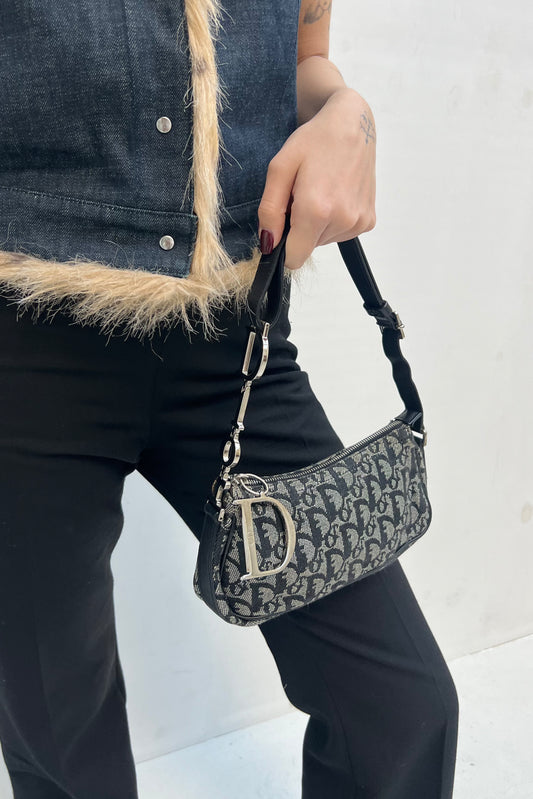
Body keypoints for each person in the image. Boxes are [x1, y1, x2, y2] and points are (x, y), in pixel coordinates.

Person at [0, 1, 459, 797]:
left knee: (399, 710)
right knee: (62, 749)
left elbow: (302, 59)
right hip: (25, 340)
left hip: (234, 346)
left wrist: (345, 113)